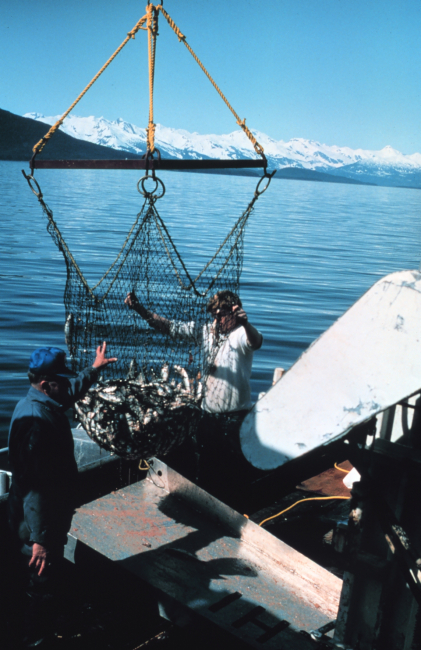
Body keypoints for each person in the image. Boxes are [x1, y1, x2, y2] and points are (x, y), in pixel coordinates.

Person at [7, 342, 117, 648]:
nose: (66, 385)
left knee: (48, 582)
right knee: (38, 585)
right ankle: (34, 639)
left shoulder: (41, 402)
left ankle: (45, 628)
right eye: (61, 380)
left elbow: (69, 393)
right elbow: (35, 489)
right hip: (35, 528)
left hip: (44, 521)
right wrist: (40, 540)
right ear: (46, 384)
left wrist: (93, 370)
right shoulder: (36, 423)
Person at [125, 290, 263, 505]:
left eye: (222, 314)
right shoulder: (207, 331)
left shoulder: (241, 335)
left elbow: (256, 341)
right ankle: (207, 506)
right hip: (207, 414)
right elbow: (170, 327)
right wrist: (140, 309)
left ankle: (235, 507)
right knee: (207, 465)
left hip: (235, 417)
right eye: (214, 315)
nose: (217, 319)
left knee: (231, 467)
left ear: (234, 313)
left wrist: (246, 323)